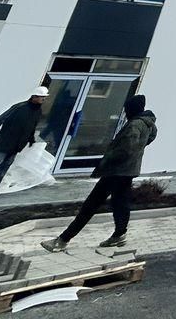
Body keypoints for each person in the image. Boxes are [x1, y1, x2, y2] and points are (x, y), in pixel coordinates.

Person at [41, 95, 157, 251]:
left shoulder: (134, 125)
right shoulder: (148, 124)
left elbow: (127, 149)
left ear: (132, 109)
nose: (125, 112)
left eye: (127, 109)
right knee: (120, 204)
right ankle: (119, 235)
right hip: (128, 171)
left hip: (116, 171)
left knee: (91, 205)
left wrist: (109, 157)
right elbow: (150, 137)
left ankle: (62, 240)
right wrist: (137, 152)